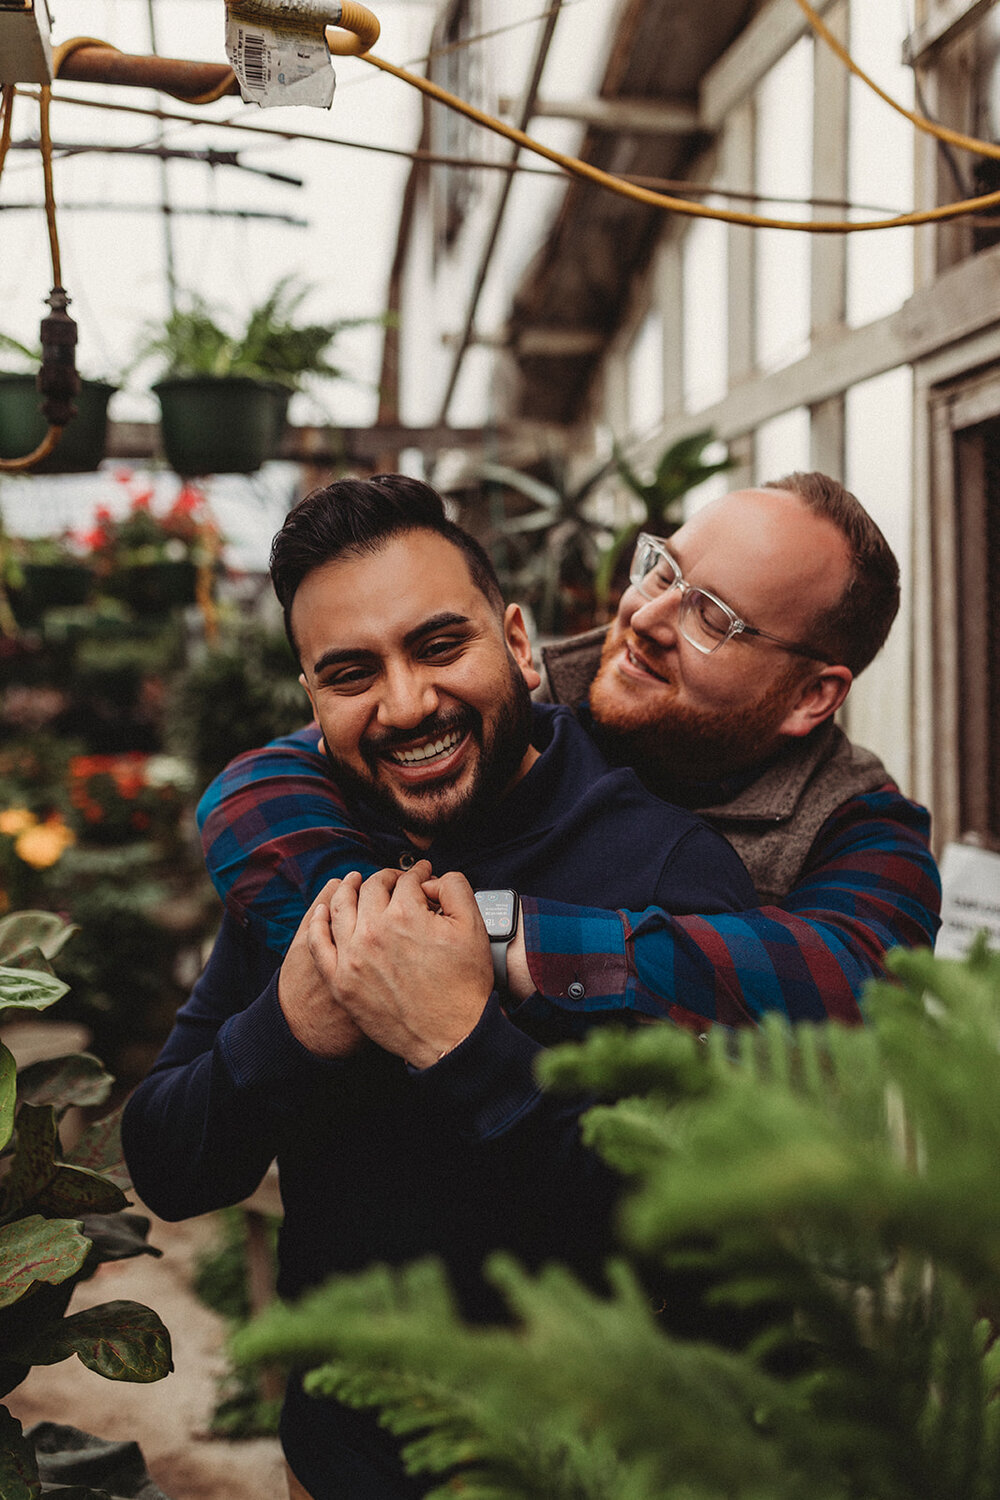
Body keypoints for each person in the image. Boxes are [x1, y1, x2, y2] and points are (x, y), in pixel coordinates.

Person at [121, 476, 759, 1500]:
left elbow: (706, 1248)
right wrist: (291, 1029)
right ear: (312, 701)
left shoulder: (664, 873)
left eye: (436, 645)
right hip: (337, 1469)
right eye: (350, 673)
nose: (406, 704)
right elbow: (167, 1163)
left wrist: (466, 1045)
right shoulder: (309, 862)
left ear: (515, 639)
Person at [197, 471, 941, 1032]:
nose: (644, 614)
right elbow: (265, 783)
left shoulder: (861, 825)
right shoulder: (520, 688)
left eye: (711, 616)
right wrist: (370, 927)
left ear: (814, 695)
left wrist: (487, 937)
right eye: (663, 569)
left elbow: (857, 983)